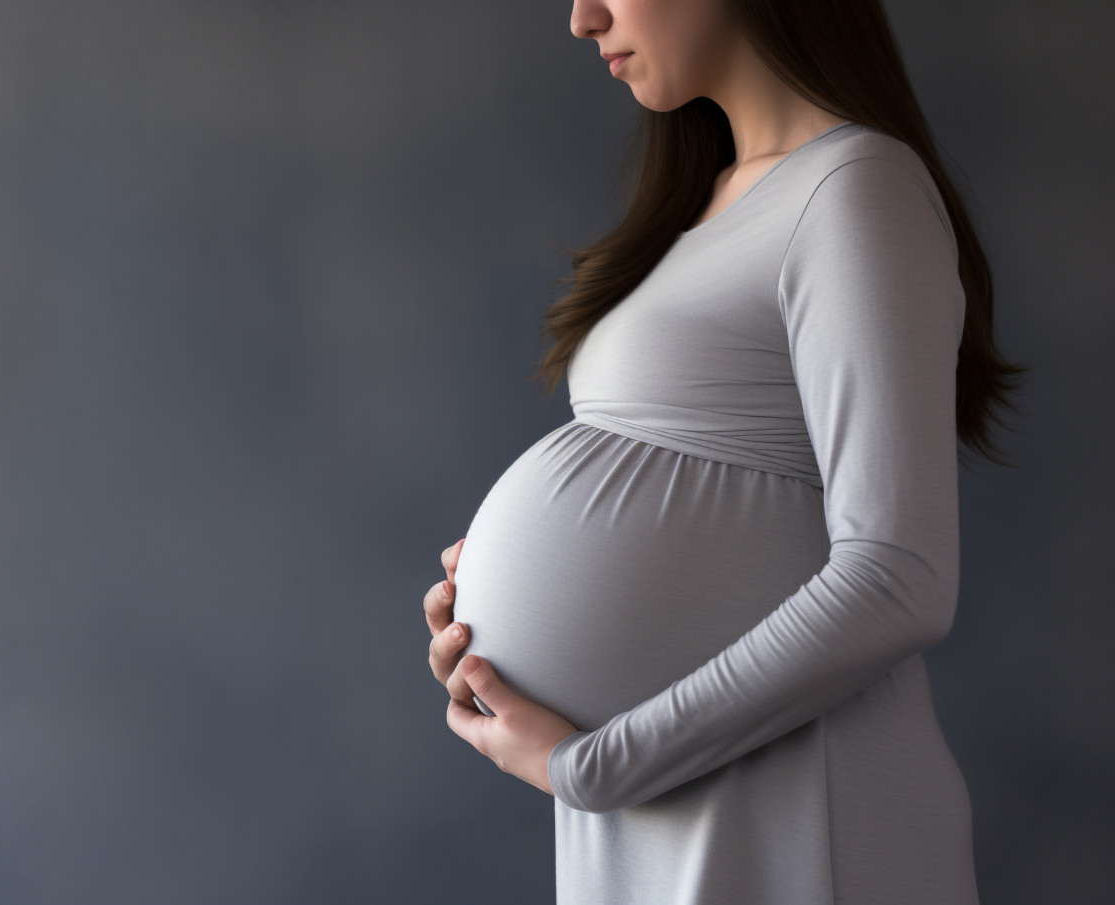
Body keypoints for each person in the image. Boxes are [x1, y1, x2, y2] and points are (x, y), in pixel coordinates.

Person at [422, 0, 1024, 902]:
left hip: (792, 819)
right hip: (652, 810)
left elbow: (901, 575)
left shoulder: (856, 186)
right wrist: (488, 615)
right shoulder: (712, 197)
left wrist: (591, 764)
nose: (583, 18)